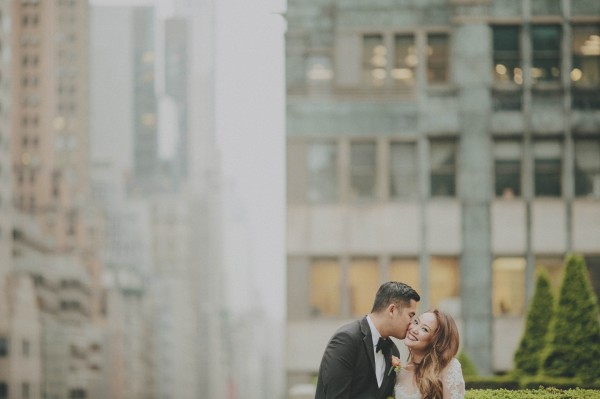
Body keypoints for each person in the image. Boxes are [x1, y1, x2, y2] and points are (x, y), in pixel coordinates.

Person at [315, 281, 420, 399]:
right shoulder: (346, 340)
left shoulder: (393, 351)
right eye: (410, 315)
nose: (411, 323)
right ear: (392, 310)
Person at [393, 310, 465, 399]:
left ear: (437, 342)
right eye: (416, 322)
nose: (414, 329)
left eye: (424, 329)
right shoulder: (398, 371)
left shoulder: (449, 368)